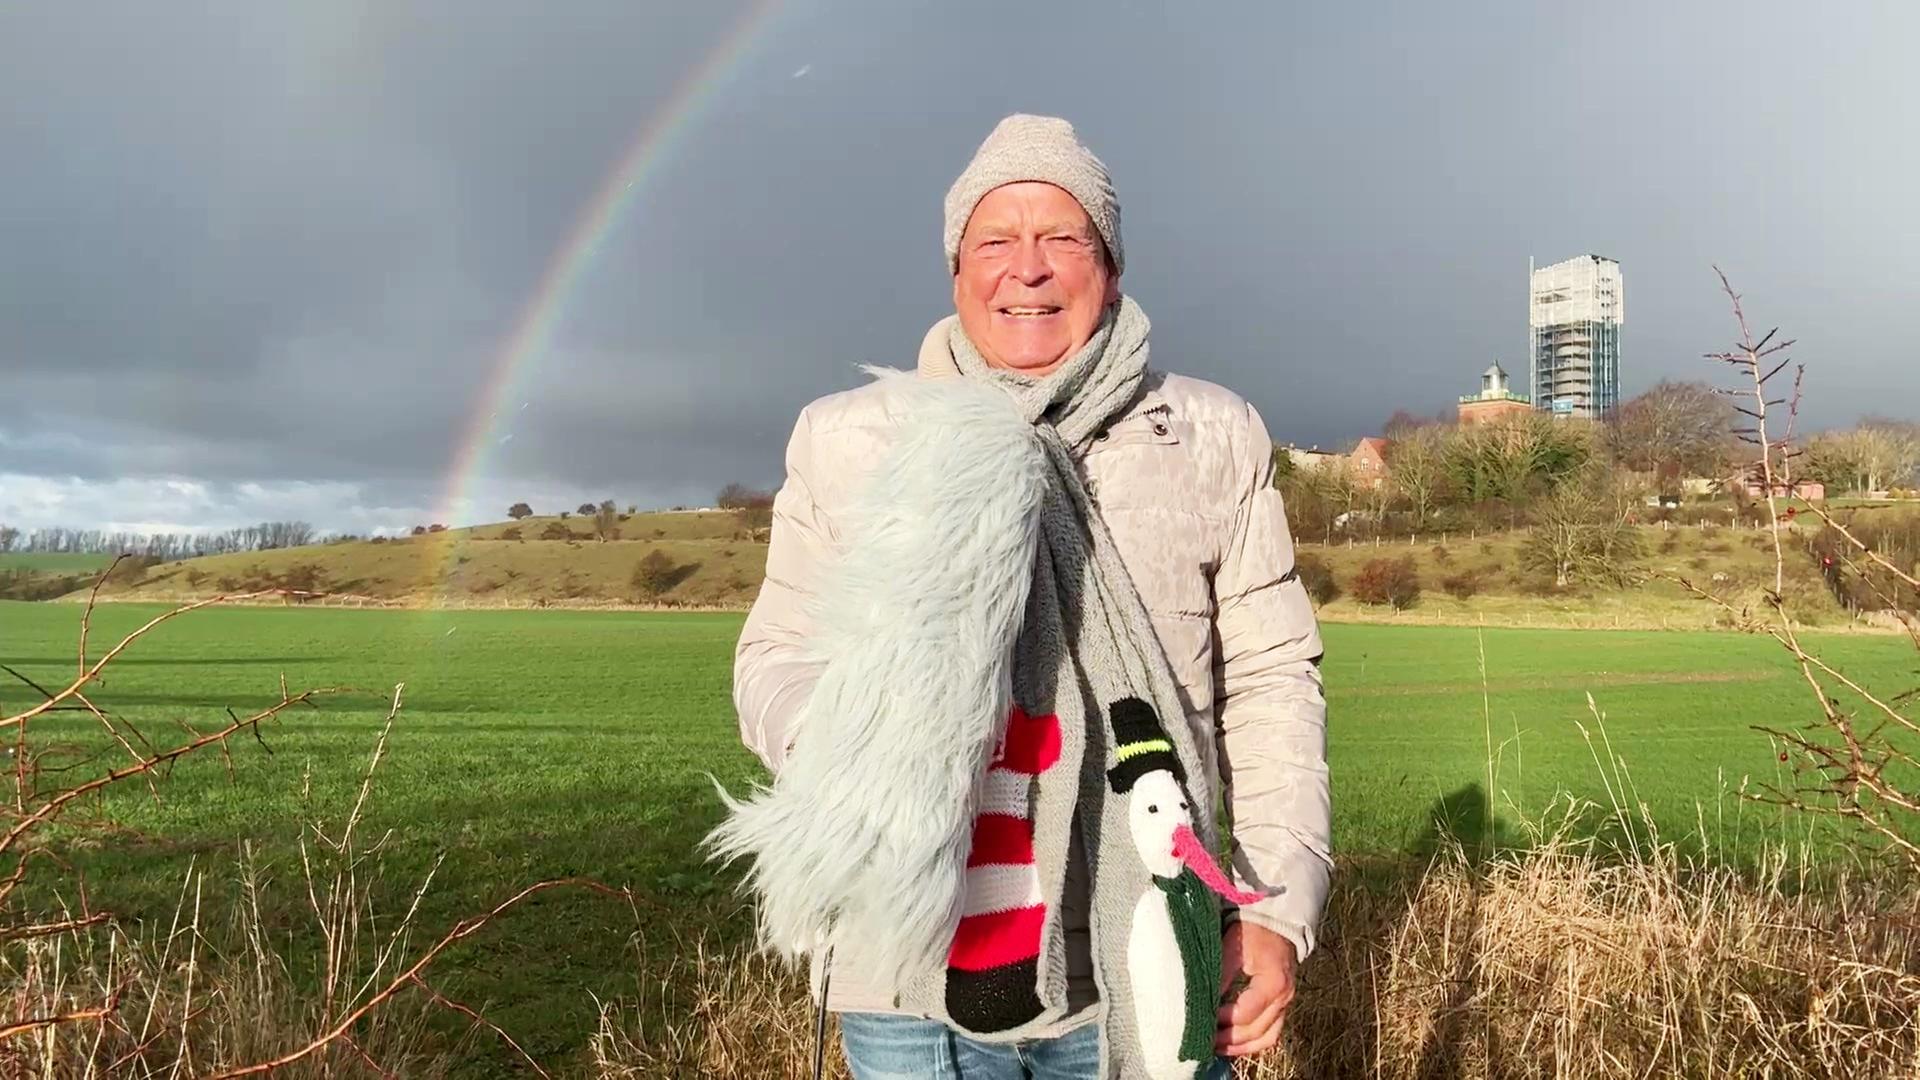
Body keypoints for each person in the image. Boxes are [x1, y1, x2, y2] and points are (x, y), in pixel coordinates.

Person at [712, 114, 1330, 1080]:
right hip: (910, 963)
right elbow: (773, 658)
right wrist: (868, 751)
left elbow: (1272, 681)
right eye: (996, 240)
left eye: (1063, 238)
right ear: (958, 270)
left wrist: (1275, 912)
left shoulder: (1212, 433)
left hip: (1153, 947)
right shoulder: (848, 438)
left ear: (1111, 267)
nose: (1027, 269)